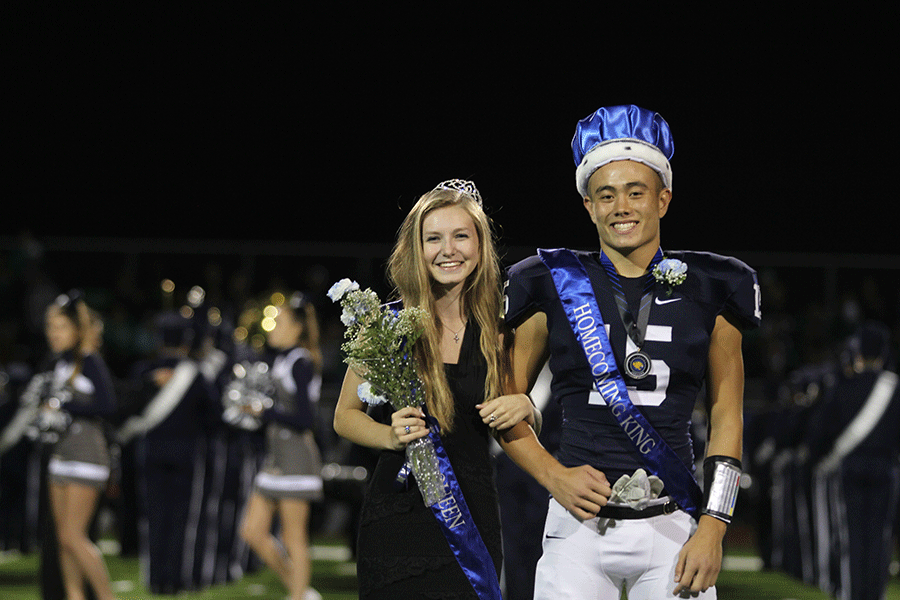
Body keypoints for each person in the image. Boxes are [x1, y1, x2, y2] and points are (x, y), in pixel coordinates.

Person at [498, 105, 762, 598]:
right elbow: (502, 400)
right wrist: (553, 475)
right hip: (577, 526)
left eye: (635, 192)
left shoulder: (713, 286)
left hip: (675, 524)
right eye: (606, 194)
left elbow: (728, 412)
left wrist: (715, 525)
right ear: (588, 206)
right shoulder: (550, 280)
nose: (621, 206)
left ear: (663, 199)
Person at [332, 179, 540, 599]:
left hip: (472, 513)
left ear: (480, 246)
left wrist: (527, 406)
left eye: (461, 236)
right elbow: (344, 416)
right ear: (416, 249)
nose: (449, 250)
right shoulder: (384, 325)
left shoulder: (501, 333)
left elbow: (511, 418)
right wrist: (388, 435)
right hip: (396, 517)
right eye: (434, 239)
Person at [118, 310, 221, 594]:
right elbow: (215, 418)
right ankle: (175, 581)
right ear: (187, 342)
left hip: (150, 453)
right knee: (181, 520)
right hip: (187, 455)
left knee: (153, 518)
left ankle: (156, 580)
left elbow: (125, 410)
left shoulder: (143, 372)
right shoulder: (196, 375)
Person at [237, 291, 325, 600]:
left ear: (296, 328)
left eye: (279, 323)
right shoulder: (283, 359)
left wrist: (265, 410)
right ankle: (299, 590)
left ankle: (298, 595)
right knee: (252, 531)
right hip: (276, 458)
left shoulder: (301, 362)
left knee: (293, 538)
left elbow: (304, 419)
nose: (272, 328)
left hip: (296, 459)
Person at [806, 321, 899, 600]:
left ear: (858, 354)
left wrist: (816, 457)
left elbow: (821, 431)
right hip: (885, 468)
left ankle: (854, 594)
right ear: (882, 355)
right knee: (880, 537)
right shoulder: (894, 389)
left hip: (851, 466)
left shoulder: (843, 386)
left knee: (852, 537)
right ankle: (875, 594)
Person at [42, 291, 118, 600]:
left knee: (74, 536)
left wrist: (64, 407)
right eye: (50, 327)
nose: (54, 333)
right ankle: (75, 597)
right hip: (60, 455)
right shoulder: (58, 364)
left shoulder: (90, 362)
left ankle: (106, 597)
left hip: (87, 457)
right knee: (62, 538)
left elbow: (108, 406)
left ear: (76, 330)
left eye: (60, 327)